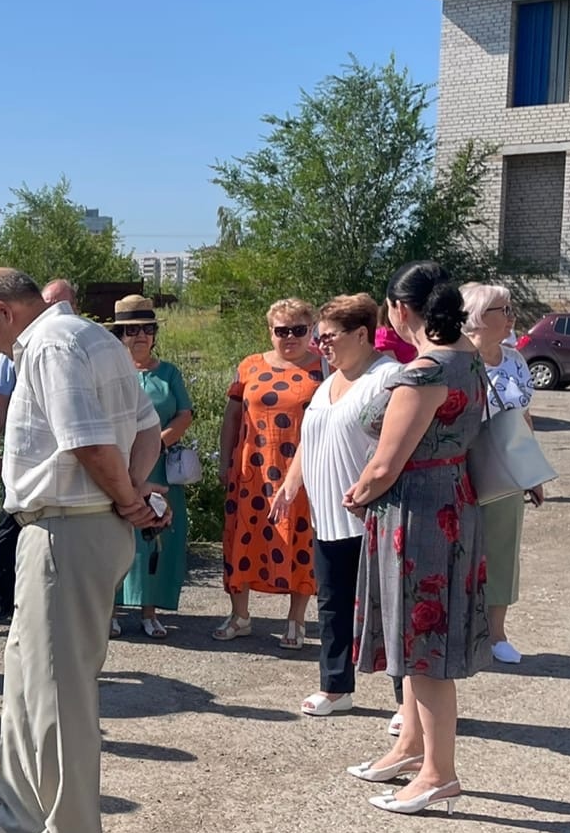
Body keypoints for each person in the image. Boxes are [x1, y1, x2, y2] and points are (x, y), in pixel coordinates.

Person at [0, 270, 162, 833]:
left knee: (59, 691)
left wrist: (126, 498)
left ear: (4, 312)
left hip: (69, 527)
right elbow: (146, 429)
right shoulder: (93, 338)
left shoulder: (46, 345)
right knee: (25, 675)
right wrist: (137, 490)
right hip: (64, 526)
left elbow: (89, 443)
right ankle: (21, 812)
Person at [342, 262, 490, 815]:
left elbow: (386, 463)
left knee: (425, 646)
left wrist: (358, 492)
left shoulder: (426, 370)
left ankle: (438, 773)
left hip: (418, 512)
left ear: (400, 310)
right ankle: (409, 748)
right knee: (416, 637)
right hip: (453, 498)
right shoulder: (468, 359)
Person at [276, 294, 403, 716]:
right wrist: (291, 484)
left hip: (371, 517)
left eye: (328, 337)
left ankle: (409, 704)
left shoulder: (389, 378)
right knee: (332, 604)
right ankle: (336, 688)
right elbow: (312, 440)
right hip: (327, 517)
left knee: (389, 610)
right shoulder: (328, 381)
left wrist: (368, 488)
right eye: (319, 337)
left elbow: (397, 447)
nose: (320, 345)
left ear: (363, 335)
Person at [214, 298, 323, 648]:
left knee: (301, 540)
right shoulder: (249, 365)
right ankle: (240, 615)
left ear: (311, 331)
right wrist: (224, 460)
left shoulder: (326, 369)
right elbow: (232, 416)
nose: (289, 337)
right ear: (270, 331)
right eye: (282, 331)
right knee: (242, 538)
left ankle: (296, 620)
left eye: (298, 330)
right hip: (252, 470)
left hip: (303, 470)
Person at [462, 281, 542, 665]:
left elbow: (523, 418)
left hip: (505, 467)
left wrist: (532, 471)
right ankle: (459, 629)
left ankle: (496, 634)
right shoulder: (457, 360)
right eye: (503, 310)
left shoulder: (515, 360)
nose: (512, 316)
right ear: (476, 318)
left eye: (510, 308)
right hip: (459, 464)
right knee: (459, 549)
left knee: (503, 548)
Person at [0, 279, 75, 615]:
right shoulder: (14, 348)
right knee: (11, 525)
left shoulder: (84, 344)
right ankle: (2, 599)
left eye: (62, 305)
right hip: (26, 461)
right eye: (49, 305)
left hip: (69, 464)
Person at [109, 295, 192, 638]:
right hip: (119, 467)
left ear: (154, 334)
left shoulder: (169, 373)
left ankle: (149, 611)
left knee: (157, 535)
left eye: (146, 328)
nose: (139, 336)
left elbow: (184, 414)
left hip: (158, 467)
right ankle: (109, 609)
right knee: (115, 536)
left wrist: (157, 443)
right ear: (120, 335)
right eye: (131, 330)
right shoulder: (110, 373)